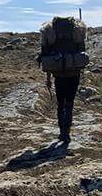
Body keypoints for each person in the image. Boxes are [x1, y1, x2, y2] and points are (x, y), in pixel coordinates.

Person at [38, 15, 89, 144]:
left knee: (60, 104)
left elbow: (46, 56)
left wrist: (48, 78)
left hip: (59, 75)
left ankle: (62, 133)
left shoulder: (50, 32)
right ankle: (67, 133)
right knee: (70, 103)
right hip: (74, 74)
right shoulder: (77, 31)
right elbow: (82, 52)